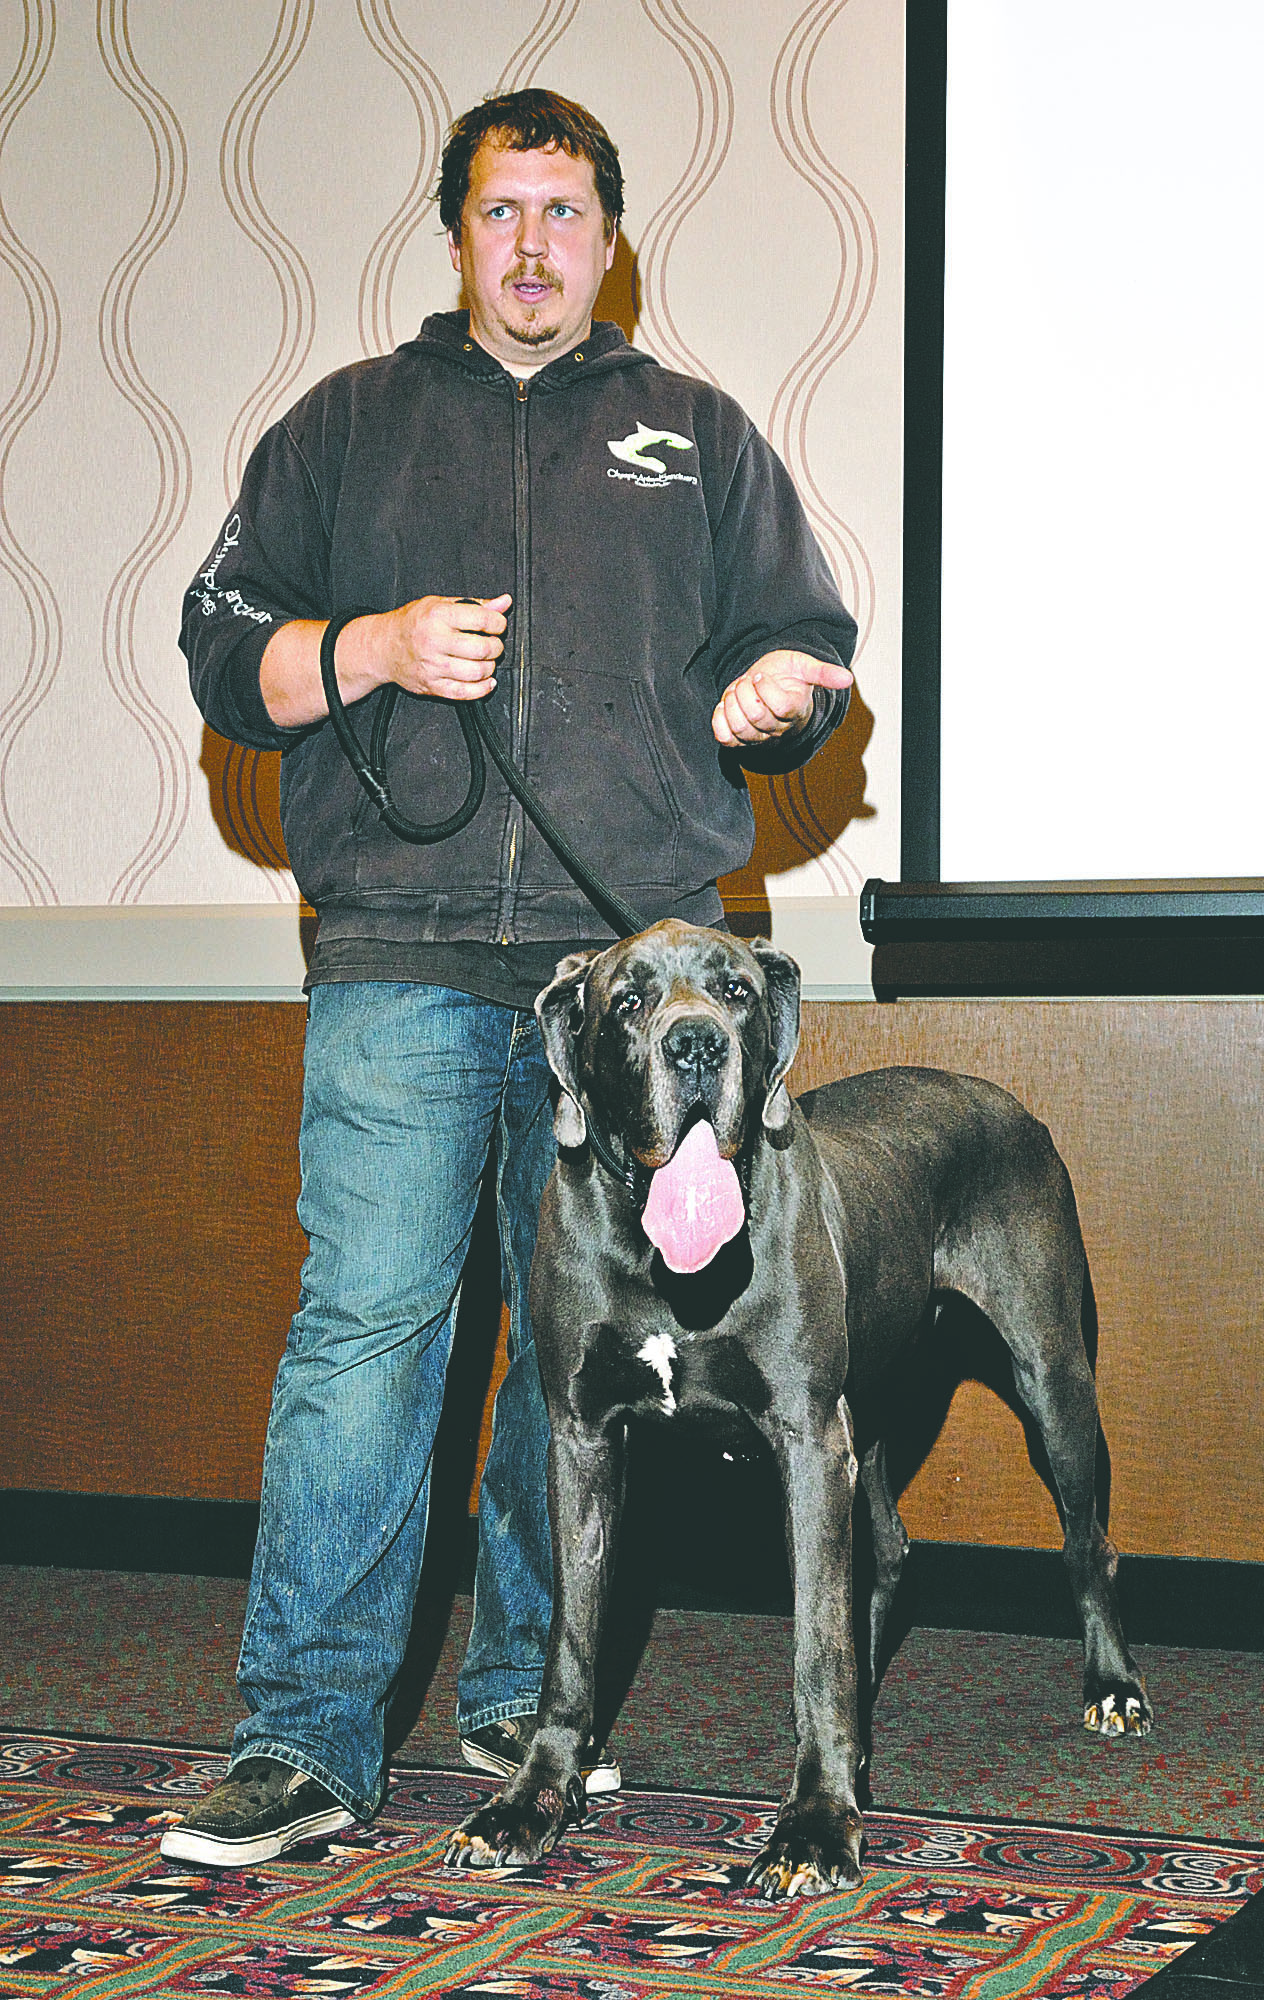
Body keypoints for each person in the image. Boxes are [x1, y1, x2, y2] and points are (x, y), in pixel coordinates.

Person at [163, 88, 856, 1869]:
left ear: (609, 237)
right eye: (500, 212)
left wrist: (784, 692)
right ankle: (304, 1739)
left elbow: (806, 642)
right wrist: (369, 645)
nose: (533, 245)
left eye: (564, 212)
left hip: (631, 987)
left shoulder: (696, 437)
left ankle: (521, 1701)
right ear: (455, 231)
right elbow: (226, 655)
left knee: (579, 1364)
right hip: (396, 960)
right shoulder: (343, 429)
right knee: (370, 1336)